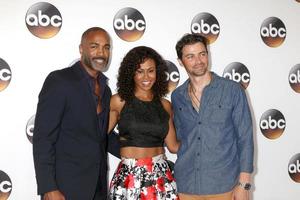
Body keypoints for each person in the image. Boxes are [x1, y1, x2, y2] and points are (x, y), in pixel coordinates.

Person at [33, 27, 120, 200]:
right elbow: (43, 138)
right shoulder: (60, 81)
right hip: (65, 187)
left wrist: (142, 150)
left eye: (106, 47)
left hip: (98, 186)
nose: (101, 53)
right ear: (81, 49)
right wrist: (49, 187)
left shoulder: (106, 89)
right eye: (94, 46)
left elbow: (101, 136)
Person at [171, 33, 254, 200]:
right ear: (180, 61)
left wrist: (244, 184)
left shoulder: (232, 90)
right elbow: (181, 139)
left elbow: (245, 138)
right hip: (186, 185)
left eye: (202, 54)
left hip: (224, 185)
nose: (198, 61)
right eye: (190, 56)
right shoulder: (177, 95)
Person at [108, 46, 180, 199]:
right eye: (139, 71)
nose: (146, 76)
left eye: (151, 70)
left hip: (161, 177)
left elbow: (173, 146)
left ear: (158, 72)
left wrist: (203, 138)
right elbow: (97, 135)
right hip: (129, 177)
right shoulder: (118, 101)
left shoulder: (165, 105)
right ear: (130, 73)